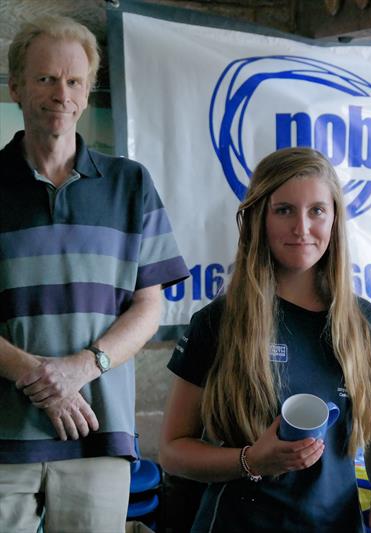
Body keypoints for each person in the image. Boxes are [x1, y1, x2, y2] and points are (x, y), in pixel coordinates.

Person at [0, 15, 189, 531]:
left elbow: (150, 306)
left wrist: (81, 369)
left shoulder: (130, 185)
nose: (61, 93)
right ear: (16, 85)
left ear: (87, 92)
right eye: (45, 79)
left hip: (98, 433)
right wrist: (35, 375)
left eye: (74, 81)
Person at [160, 147, 371, 533]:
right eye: (284, 210)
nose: (302, 228)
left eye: (316, 211)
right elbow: (173, 451)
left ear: (334, 220)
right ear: (259, 218)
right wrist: (249, 461)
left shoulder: (365, 323)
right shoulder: (218, 322)